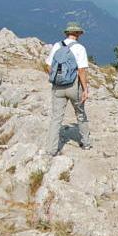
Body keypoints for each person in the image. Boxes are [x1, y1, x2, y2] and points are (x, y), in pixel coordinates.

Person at [46, 22, 92, 155]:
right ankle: (86, 143)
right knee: (80, 114)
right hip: (73, 86)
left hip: (57, 87)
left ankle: (51, 150)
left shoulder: (57, 45)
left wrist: (57, 78)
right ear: (77, 33)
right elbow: (82, 71)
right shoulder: (80, 48)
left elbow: (49, 66)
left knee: (56, 118)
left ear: (67, 33)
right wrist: (85, 89)